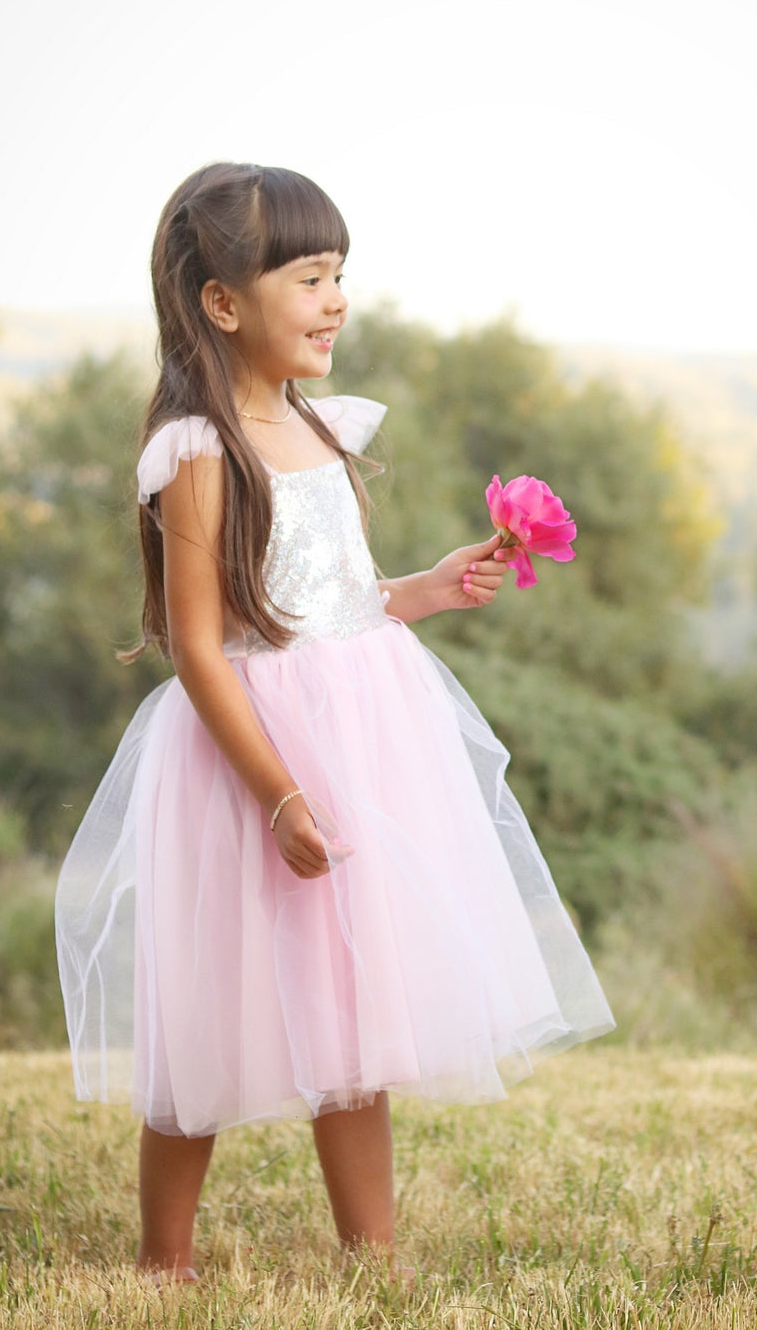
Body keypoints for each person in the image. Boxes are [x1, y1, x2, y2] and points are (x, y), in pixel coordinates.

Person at [54, 162, 613, 1280]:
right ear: (223, 302)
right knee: (207, 1000)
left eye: (338, 274)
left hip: (360, 738)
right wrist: (278, 794)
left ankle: (374, 1253)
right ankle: (165, 1259)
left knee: (352, 997)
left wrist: (426, 588)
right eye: (308, 277)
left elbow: (332, 602)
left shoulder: (318, 425)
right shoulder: (198, 453)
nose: (335, 299)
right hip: (250, 762)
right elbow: (204, 647)